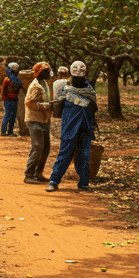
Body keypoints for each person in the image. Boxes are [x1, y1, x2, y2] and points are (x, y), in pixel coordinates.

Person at [47, 61, 97, 192]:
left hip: (85, 127)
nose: (78, 79)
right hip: (69, 127)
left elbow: (94, 108)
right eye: (76, 77)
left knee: (84, 155)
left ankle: (84, 183)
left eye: (80, 77)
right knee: (65, 153)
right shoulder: (64, 89)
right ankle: (54, 180)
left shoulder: (89, 90)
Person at [24, 63, 54, 184]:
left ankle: (38, 172)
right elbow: (29, 102)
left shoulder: (45, 83)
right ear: (39, 73)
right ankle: (29, 174)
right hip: (34, 119)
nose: (48, 73)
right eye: (45, 71)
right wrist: (46, 106)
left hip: (44, 119)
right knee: (38, 147)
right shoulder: (35, 86)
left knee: (46, 147)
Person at [0, 62, 21, 136]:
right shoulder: (9, 79)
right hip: (9, 99)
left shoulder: (11, 78)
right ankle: (5, 131)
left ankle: (9, 131)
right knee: (9, 115)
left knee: (12, 115)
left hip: (12, 99)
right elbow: (4, 91)